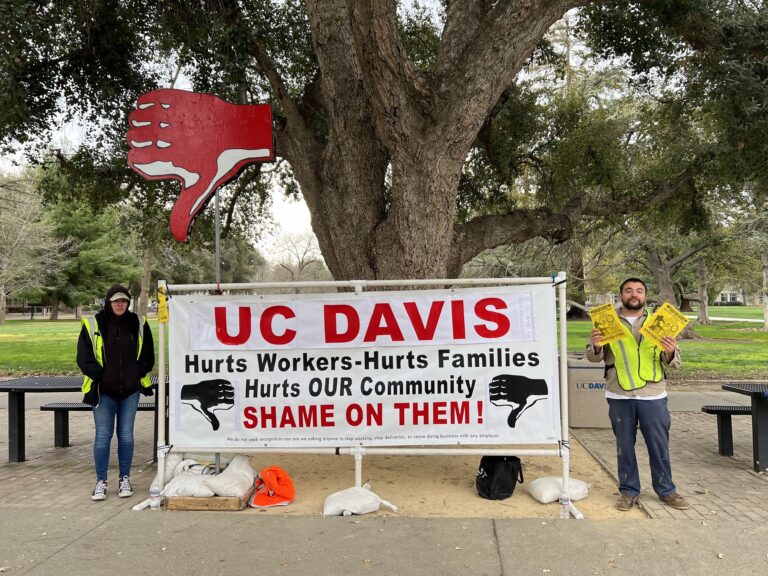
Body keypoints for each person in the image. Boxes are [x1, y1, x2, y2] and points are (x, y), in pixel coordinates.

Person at [586, 278, 689, 511]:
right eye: (629, 291)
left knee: (659, 446)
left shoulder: (659, 322)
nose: (634, 294)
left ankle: (666, 490)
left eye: (639, 291)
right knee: (624, 447)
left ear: (645, 295)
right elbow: (593, 357)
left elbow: (675, 363)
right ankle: (628, 491)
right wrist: (596, 345)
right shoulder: (607, 321)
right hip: (620, 394)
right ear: (621, 295)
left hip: (653, 395)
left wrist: (670, 351)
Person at [77, 284, 155, 501]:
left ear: (128, 302)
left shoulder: (139, 323)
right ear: (108, 302)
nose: (120, 304)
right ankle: (101, 481)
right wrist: (102, 377)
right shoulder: (92, 323)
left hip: (130, 390)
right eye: (115, 301)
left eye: (123, 301)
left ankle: (124, 479)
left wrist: (136, 374)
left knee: (126, 435)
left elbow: (148, 355)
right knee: (103, 436)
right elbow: (84, 358)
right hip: (103, 391)